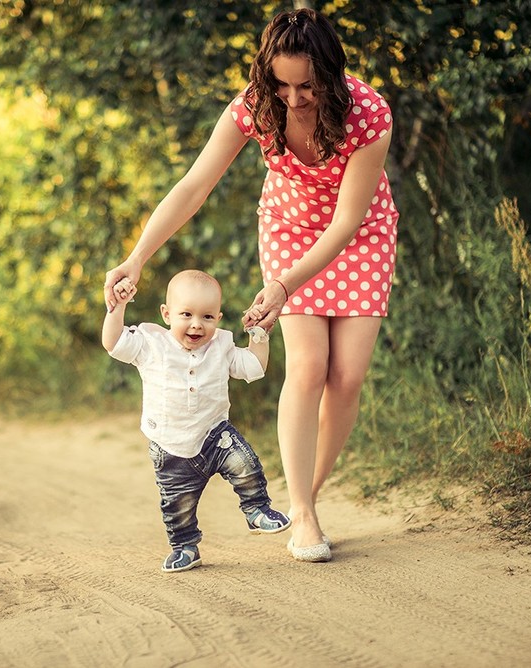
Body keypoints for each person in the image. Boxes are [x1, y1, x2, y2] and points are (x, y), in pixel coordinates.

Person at [104, 8, 398, 563]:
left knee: (348, 376)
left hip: (357, 234)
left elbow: (346, 223)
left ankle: (307, 494)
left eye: (306, 86)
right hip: (288, 228)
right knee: (309, 367)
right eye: (282, 85)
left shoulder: (370, 114)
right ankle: (305, 517)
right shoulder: (254, 107)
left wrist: (285, 284)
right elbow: (194, 185)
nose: (292, 98)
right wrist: (137, 258)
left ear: (332, 74)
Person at [102, 269, 291, 572]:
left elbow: (254, 366)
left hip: (216, 436)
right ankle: (185, 547)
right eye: (186, 314)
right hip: (170, 445)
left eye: (207, 317)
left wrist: (259, 332)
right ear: (166, 314)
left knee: (245, 464)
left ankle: (257, 509)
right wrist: (117, 306)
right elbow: (113, 343)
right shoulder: (151, 344)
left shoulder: (222, 346)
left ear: (218, 317)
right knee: (177, 506)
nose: (196, 324)